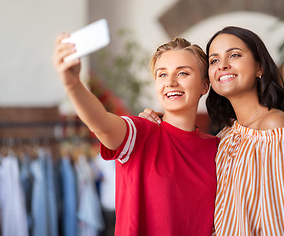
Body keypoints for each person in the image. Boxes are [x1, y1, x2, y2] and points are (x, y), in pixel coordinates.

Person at [140, 26, 284, 236]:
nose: (223, 65)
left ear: (259, 67)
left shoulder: (273, 126)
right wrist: (153, 127)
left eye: (234, 55)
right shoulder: (225, 136)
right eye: (214, 60)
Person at [53, 35, 219, 235]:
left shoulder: (217, 147)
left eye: (183, 73)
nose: (171, 82)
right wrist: (73, 85)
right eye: (162, 74)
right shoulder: (142, 132)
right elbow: (102, 124)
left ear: (204, 85)